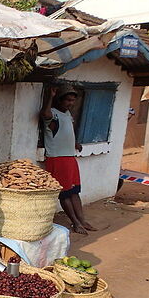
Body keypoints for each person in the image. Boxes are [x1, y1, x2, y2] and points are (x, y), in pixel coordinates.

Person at [40, 84, 96, 234]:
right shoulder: (52, 113)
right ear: (60, 100)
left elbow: (64, 133)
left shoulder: (67, 115)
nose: (70, 103)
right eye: (67, 100)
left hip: (70, 158)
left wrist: (74, 143)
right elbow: (45, 115)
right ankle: (75, 223)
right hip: (57, 159)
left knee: (74, 191)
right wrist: (50, 97)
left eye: (72, 100)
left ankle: (82, 221)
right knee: (64, 193)